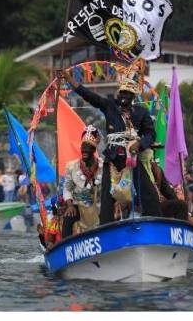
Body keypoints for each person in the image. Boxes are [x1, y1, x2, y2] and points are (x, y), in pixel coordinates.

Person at [62, 68, 161, 224]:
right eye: (121, 92)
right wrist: (70, 80)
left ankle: (157, 223)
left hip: (132, 157)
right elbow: (89, 96)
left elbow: (150, 134)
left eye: (127, 93)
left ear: (133, 96)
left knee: (149, 193)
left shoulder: (141, 112)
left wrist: (139, 143)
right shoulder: (110, 106)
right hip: (113, 157)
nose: (123, 96)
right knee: (107, 197)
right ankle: (106, 228)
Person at [62, 125, 103, 238]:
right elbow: (67, 188)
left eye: (88, 147)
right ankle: (65, 247)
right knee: (69, 216)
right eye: (83, 147)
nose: (84, 150)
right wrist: (69, 205)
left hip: (97, 207)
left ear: (94, 150)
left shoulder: (103, 166)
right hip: (78, 206)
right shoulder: (72, 166)